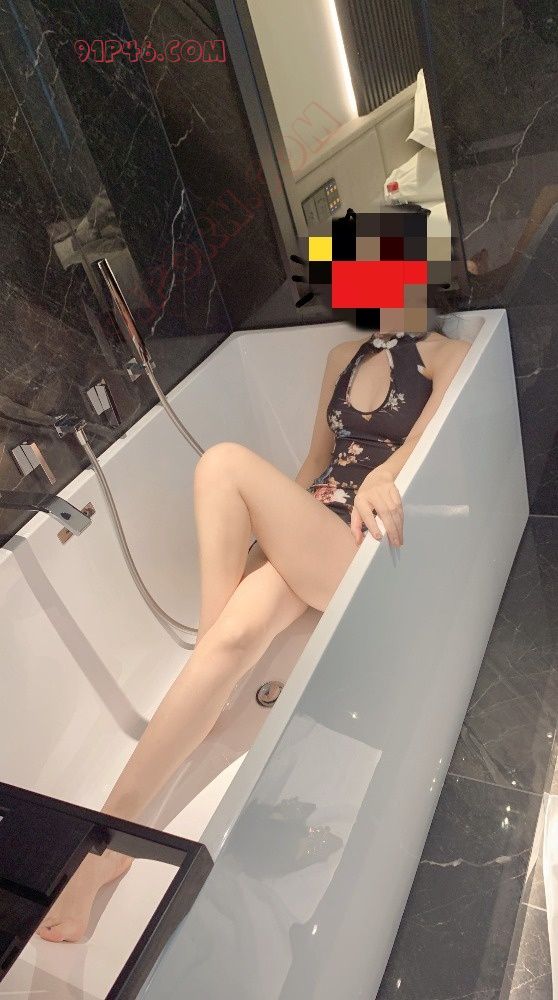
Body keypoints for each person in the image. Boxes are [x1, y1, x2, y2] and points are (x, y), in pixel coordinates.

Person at [36, 203, 471, 943]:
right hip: (313, 529)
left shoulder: (444, 355)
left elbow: (414, 450)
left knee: (223, 462)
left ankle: (209, 686)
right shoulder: (343, 358)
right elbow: (312, 465)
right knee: (233, 634)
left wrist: (382, 479)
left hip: (359, 542)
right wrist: (268, 543)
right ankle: (107, 847)